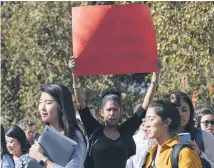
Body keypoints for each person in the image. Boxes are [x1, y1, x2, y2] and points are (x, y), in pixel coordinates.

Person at [69, 56, 161, 168]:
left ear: (120, 112)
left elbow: (145, 105)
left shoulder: (126, 131)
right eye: (108, 110)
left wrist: (156, 76)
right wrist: (74, 74)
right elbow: (81, 104)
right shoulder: (94, 130)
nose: (112, 113)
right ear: (101, 112)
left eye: (115, 109)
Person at [29, 83, 87, 168]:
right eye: (40, 102)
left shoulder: (75, 136)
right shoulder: (42, 137)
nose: (42, 108)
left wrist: (41, 158)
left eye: (48, 103)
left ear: (61, 106)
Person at [143, 100, 202, 168]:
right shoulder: (150, 153)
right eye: (145, 120)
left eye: (151, 119)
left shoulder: (184, 153)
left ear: (167, 122)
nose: (146, 125)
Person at [170, 92, 214, 167]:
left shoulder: (205, 137)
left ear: (191, 112)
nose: (180, 114)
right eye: (176, 110)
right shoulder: (160, 136)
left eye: (184, 110)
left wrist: (199, 154)